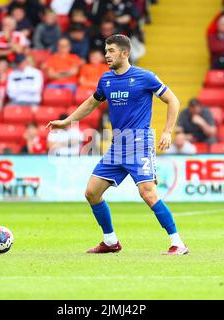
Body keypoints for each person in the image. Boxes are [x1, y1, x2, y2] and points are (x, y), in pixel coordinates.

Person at [46, 34, 188, 255]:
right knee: (92, 193)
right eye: (106, 50)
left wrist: (168, 131)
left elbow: (173, 100)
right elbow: (92, 102)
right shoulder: (106, 80)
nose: (106, 55)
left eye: (111, 50)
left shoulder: (145, 77)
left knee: (148, 192)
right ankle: (111, 241)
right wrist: (67, 121)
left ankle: (178, 243)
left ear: (125, 53)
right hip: (117, 145)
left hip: (139, 142)